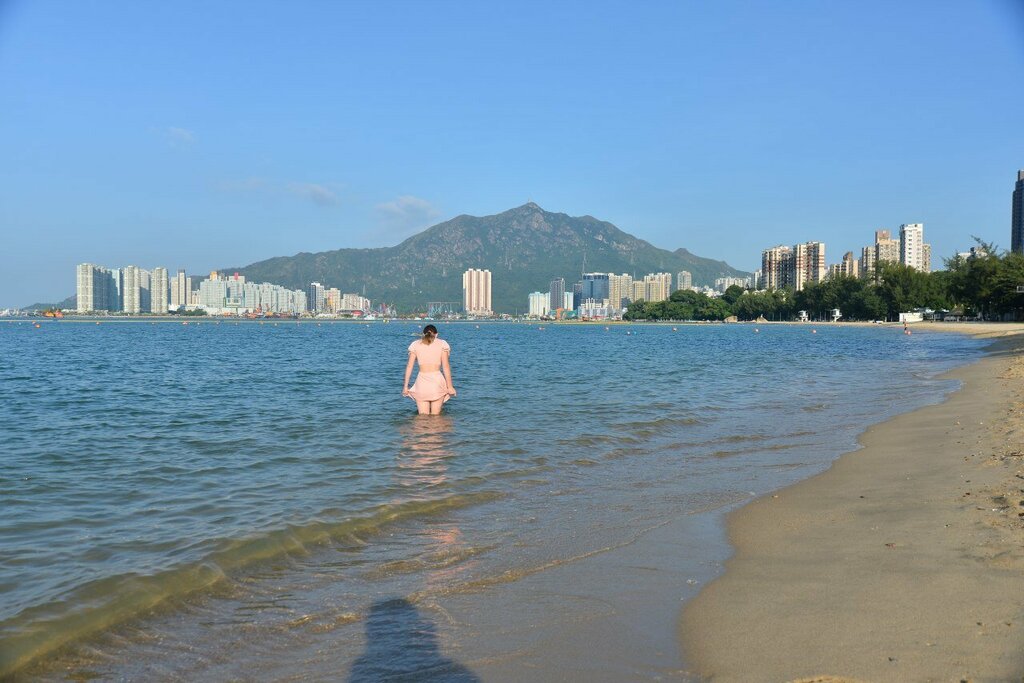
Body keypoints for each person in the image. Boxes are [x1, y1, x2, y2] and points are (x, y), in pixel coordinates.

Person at [403, 324, 456, 415]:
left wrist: (405, 386)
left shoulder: (415, 345)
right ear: (437, 334)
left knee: (422, 417)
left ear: (423, 334)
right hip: (437, 382)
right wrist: (450, 386)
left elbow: (409, 367)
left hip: (421, 383)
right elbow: (446, 367)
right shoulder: (442, 344)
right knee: (436, 417)